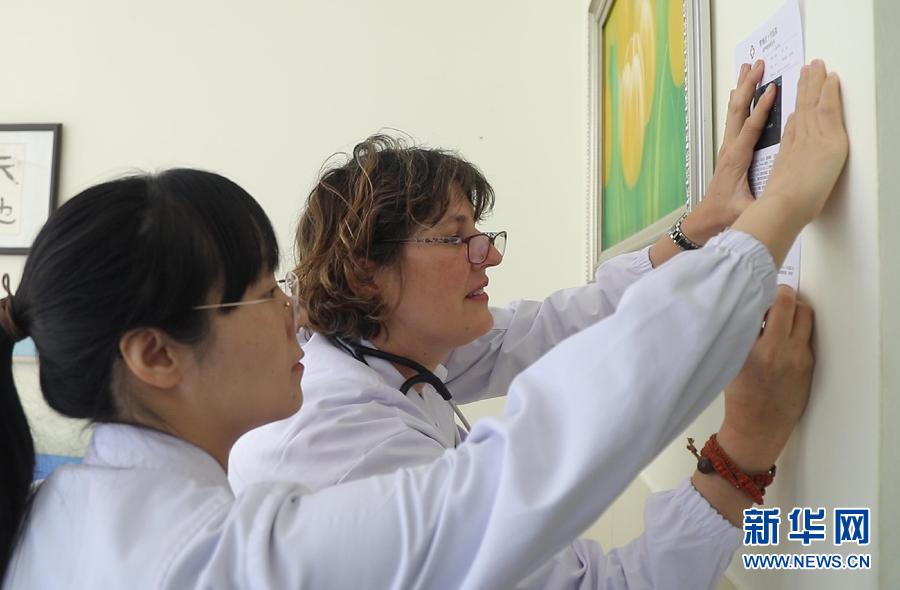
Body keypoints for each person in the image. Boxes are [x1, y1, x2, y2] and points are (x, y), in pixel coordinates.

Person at [1, 60, 844, 590]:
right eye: (260, 294)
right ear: (156, 355)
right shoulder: (248, 530)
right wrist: (781, 214)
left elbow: (544, 331)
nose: (293, 310)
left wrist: (700, 229)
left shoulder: (82, 507)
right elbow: (524, 476)